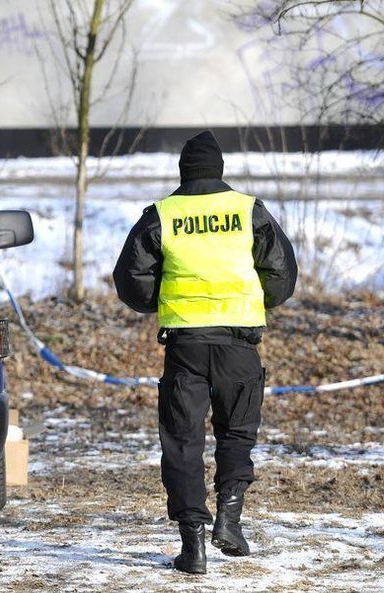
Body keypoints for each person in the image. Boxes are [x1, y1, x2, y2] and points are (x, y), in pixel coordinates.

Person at [112, 131, 298, 575]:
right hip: (239, 343)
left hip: (186, 347)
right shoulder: (248, 210)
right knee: (236, 434)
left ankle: (192, 543)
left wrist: (164, 300)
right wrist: (256, 300)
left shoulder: (163, 214)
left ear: (183, 171)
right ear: (219, 169)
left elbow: (130, 280)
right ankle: (230, 522)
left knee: (182, 440)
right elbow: (282, 273)